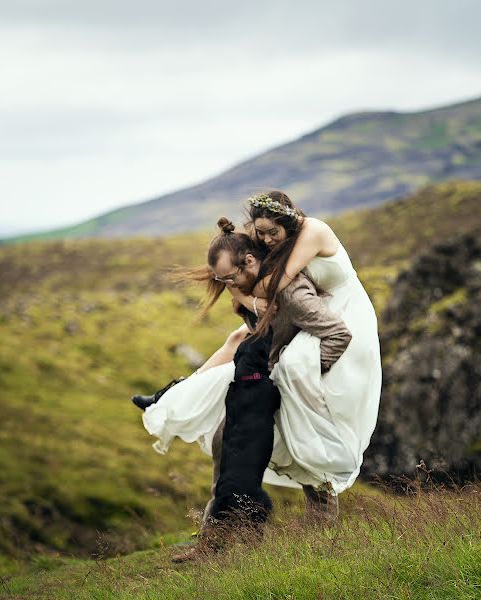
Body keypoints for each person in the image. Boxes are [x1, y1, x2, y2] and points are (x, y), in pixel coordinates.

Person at [138, 190, 382, 495]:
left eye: (272, 233)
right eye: (260, 232)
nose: (266, 239)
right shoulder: (268, 236)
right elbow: (235, 266)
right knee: (237, 338)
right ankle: (177, 390)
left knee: (291, 366)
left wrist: (249, 298)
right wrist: (243, 296)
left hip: (343, 308)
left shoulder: (313, 231)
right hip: (310, 305)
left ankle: (318, 451)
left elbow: (276, 281)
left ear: (289, 220)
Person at [168, 219, 351, 561]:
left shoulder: (292, 292)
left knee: (310, 458)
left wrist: (306, 374)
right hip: (260, 385)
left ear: (250, 262)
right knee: (226, 443)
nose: (226, 287)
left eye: (229, 279)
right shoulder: (251, 291)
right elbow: (240, 334)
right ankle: (212, 545)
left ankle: (320, 547)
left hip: (293, 384)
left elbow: (338, 335)